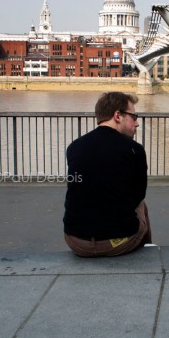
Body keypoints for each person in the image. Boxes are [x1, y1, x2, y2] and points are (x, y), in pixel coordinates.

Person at [63, 91, 151, 257]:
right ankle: (145, 254)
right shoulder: (134, 150)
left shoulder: (74, 147)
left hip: (76, 241)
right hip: (117, 242)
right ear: (118, 116)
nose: (137, 123)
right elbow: (139, 195)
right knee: (141, 206)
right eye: (134, 116)